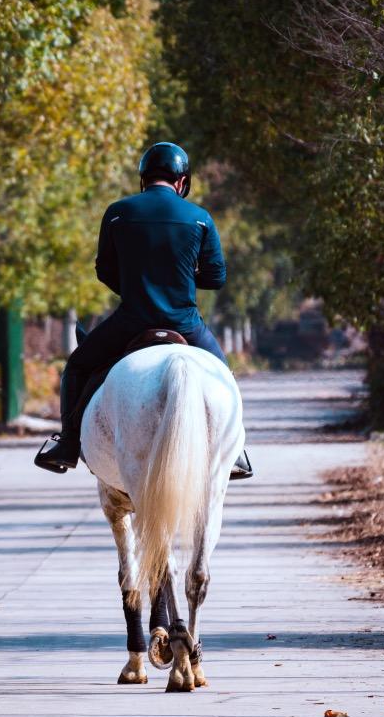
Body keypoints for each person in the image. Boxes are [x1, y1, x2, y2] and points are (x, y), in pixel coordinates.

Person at [35, 141, 253, 479]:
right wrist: (179, 279)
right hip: (185, 322)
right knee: (223, 375)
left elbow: (104, 270)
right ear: (182, 181)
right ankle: (234, 450)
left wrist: (136, 286)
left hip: (131, 321)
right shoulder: (200, 218)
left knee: (77, 367)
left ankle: (67, 444)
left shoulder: (118, 213)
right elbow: (216, 277)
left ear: (143, 178)